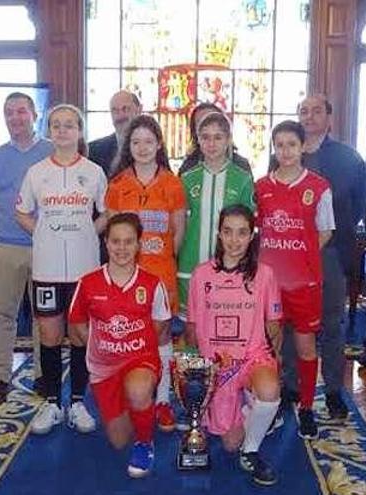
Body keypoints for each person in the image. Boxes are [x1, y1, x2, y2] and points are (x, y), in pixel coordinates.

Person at [16, 104, 107, 435]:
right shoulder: (36, 172)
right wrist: (41, 232)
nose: (64, 130)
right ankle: (53, 403)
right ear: (49, 130)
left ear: (79, 130)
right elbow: (23, 212)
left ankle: (79, 401)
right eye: (57, 125)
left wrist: (87, 232)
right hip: (47, 267)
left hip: (85, 269)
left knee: (81, 334)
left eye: (70, 125)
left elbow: (106, 213)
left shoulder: (95, 172)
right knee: (51, 335)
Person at [278, 94, 366, 421]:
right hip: (288, 261)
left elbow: (356, 209)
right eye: (303, 111)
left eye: (317, 111)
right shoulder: (282, 160)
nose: (309, 116)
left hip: (329, 255)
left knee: (331, 325)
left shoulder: (350, 160)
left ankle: (333, 391)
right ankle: (289, 384)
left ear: (330, 117)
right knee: (289, 324)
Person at [185, 204, 283, 487]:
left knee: (269, 389)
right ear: (219, 234)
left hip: (252, 357)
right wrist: (201, 376)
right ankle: (243, 410)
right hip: (219, 366)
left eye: (242, 233)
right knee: (228, 443)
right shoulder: (201, 275)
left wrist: (273, 366)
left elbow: (274, 324)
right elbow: (192, 329)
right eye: (228, 232)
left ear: (252, 236)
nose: (234, 240)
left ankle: (251, 450)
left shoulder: (264, 275)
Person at [68, 213, 171, 478]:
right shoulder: (88, 283)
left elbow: (159, 326)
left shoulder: (151, 283)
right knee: (117, 441)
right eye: (116, 241)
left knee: (138, 389)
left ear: (138, 244)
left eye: (129, 241)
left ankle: (145, 443)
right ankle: (139, 406)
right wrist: (103, 345)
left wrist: (137, 351)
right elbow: (78, 326)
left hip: (141, 360)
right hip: (105, 369)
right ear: (106, 243)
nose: (122, 248)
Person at [105, 115, 185, 432]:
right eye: (135, 141)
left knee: (161, 334)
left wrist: (161, 257)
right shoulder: (118, 185)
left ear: (159, 145)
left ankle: (162, 400)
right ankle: (134, 397)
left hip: (161, 274)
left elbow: (178, 232)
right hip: (127, 275)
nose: (142, 147)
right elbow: (113, 234)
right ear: (129, 145)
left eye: (148, 141)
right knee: (129, 335)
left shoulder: (172, 183)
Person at [256, 120, 335, 439]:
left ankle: (306, 407)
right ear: (273, 148)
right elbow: (256, 231)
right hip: (270, 283)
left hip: (304, 283)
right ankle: (271, 404)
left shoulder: (318, 186)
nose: (285, 151)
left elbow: (326, 231)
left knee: (305, 345)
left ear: (303, 147)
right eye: (280, 145)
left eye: (292, 144)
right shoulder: (261, 186)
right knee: (269, 345)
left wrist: (299, 254)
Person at [0, 92, 54, 405]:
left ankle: (41, 374)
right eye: (9, 113)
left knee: (43, 316)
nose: (15, 118)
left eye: (21, 111)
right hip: (6, 247)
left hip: (45, 247)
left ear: (34, 114)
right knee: (4, 314)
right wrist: (11, 225)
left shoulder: (51, 152)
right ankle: (1, 376)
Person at [177, 112, 255, 320]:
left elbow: (249, 226)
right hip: (190, 262)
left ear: (228, 140)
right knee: (191, 325)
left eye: (218, 137)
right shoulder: (187, 178)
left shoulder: (243, 179)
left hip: (231, 265)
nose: (211, 143)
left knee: (226, 322)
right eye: (205, 137)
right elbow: (179, 223)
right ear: (198, 140)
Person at [177, 102, 252, 177]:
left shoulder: (241, 165)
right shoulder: (188, 167)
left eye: (213, 119)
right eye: (202, 123)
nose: (209, 126)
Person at [88, 90, 142, 177]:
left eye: (125, 109)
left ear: (139, 110)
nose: (120, 115)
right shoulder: (93, 150)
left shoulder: (152, 148)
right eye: (115, 110)